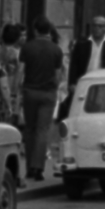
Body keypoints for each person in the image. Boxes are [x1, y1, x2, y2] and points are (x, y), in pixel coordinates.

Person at [19, 17, 64, 180]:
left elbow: (20, 71)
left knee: (29, 129)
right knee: (42, 130)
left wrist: (19, 89)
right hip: (48, 93)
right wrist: (54, 89)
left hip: (30, 91)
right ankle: (38, 167)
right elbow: (58, 75)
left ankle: (29, 168)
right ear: (49, 31)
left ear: (35, 30)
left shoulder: (27, 48)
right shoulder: (56, 50)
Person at [70, 16, 105, 85]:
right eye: (94, 25)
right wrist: (72, 83)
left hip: (104, 82)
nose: (97, 28)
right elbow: (74, 65)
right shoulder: (82, 43)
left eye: (100, 26)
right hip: (85, 80)